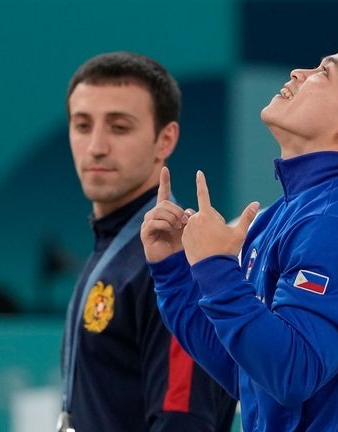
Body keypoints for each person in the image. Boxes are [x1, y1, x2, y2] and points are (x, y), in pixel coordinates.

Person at [140, 21, 338, 431]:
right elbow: (248, 375)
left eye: (323, 72)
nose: (298, 74)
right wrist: (174, 272)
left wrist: (214, 267)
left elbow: (291, 373)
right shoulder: (285, 214)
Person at [60, 51, 236, 432]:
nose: (96, 147)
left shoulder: (177, 260)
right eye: (82, 125)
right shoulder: (113, 244)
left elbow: (183, 424)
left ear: (165, 139)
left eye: (119, 127)